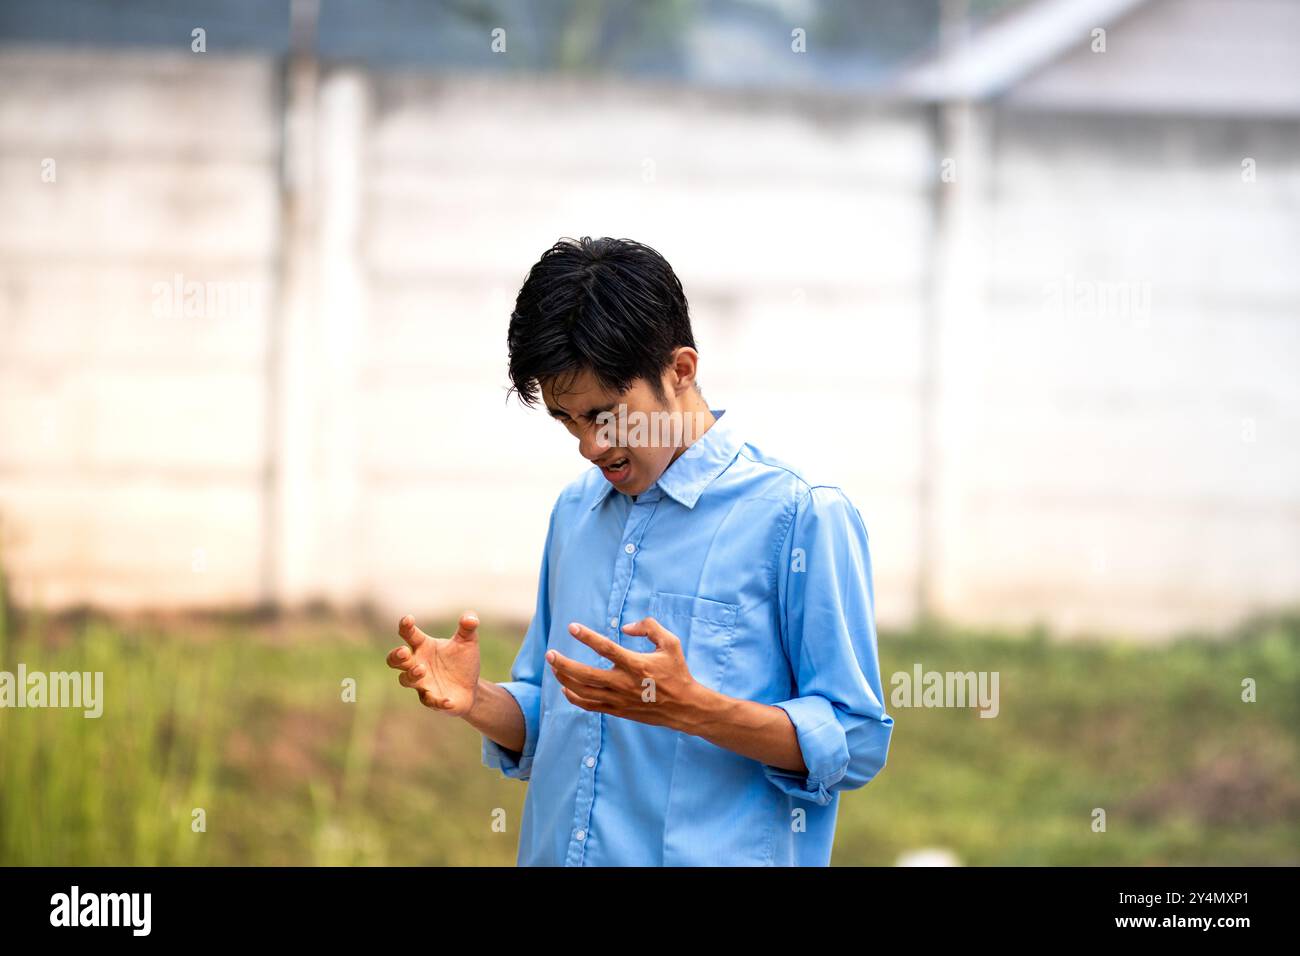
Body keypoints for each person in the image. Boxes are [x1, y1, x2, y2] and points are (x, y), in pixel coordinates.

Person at [385, 236, 893, 865]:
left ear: (681, 370)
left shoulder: (800, 516)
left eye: (607, 415)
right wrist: (476, 700)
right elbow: (561, 719)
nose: (590, 447)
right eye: (568, 422)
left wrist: (695, 709)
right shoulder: (576, 512)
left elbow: (857, 737)